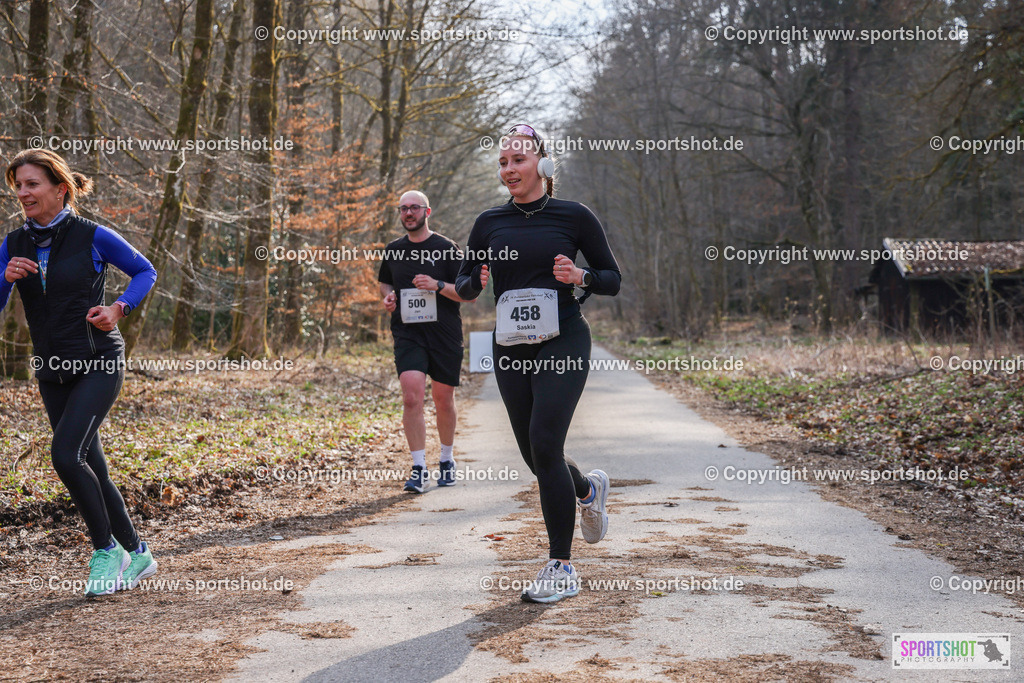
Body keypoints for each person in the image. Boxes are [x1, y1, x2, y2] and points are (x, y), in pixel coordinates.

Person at [455, 124, 621, 603]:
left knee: (546, 442)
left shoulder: (574, 215)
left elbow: (611, 279)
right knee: (535, 454)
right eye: (503, 162)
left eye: (518, 160)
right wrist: (474, 281)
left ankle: (561, 566)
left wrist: (580, 275)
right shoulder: (488, 222)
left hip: (563, 338)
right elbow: (463, 285)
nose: (508, 169)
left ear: (543, 164)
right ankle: (587, 490)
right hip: (510, 345)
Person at [1, 149, 158, 597]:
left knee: (66, 456)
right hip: (51, 368)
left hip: (98, 361)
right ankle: (138, 553)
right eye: (18, 185)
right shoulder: (12, 244)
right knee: (92, 466)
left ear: (60, 189)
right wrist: (4, 279)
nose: (23, 192)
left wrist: (119, 308)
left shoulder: (93, 235)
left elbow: (144, 271)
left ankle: (107, 550)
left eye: (32, 183)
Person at [379, 190, 469, 493]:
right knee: (411, 397)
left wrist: (437, 285)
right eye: (403, 208)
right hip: (408, 334)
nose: (408, 213)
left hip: (445, 334)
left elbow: (465, 292)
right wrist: (388, 297)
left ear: (427, 212)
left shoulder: (446, 248)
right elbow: (385, 282)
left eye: (414, 208)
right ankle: (418, 468)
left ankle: (446, 459)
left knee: (443, 399)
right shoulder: (394, 250)